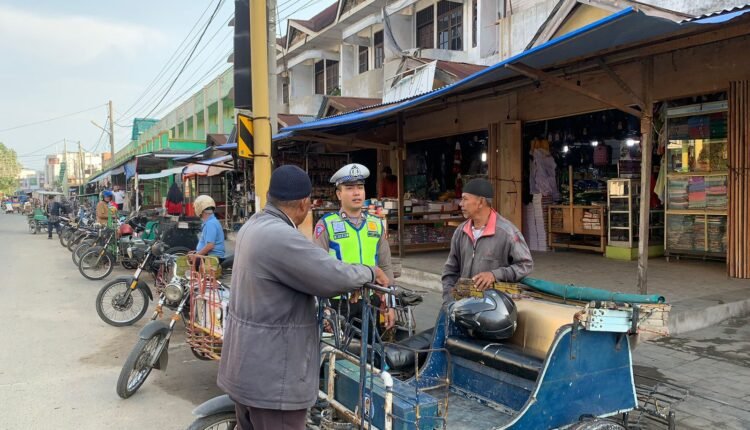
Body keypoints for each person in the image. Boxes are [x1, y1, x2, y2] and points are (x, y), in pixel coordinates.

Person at [217, 165, 390, 430]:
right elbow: (329, 273)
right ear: (303, 203)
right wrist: (369, 272)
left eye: (359, 188)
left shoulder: (254, 225)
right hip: (273, 379)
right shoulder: (280, 236)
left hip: (248, 367)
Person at [313, 163, 396, 332]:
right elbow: (316, 271)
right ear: (339, 194)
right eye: (350, 188)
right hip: (338, 304)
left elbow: (386, 267)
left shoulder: (376, 224)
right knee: (341, 349)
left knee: (372, 347)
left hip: (371, 301)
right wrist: (325, 308)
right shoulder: (326, 224)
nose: (357, 193)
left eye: (360, 187)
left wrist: (391, 304)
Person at [441, 178, 533, 303]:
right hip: (463, 305)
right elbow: (450, 271)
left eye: (465, 199)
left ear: (480, 202)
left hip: (494, 306)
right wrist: (449, 300)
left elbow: (525, 265)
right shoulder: (461, 232)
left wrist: (494, 275)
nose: (461, 204)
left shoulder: (507, 232)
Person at [190, 195, 225, 262]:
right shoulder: (212, 221)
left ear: (200, 208)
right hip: (209, 256)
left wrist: (196, 255)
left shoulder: (210, 224)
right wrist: (196, 252)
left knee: (185, 263)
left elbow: (210, 246)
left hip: (211, 258)